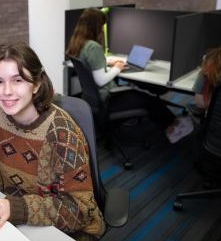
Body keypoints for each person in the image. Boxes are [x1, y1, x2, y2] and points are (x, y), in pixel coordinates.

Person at [0, 42, 105, 241]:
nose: (6, 91)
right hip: (9, 218)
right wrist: (0, 200)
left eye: (18, 80)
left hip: (65, 230)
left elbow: (79, 211)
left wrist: (17, 207)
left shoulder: (61, 132)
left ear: (36, 84)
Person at [66, 8, 193, 143]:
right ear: (95, 26)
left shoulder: (79, 44)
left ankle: (171, 124)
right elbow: (100, 79)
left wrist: (107, 61)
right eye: (102, 25)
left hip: (93, 98)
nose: (102, 30)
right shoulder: (94, 47)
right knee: (149, 100)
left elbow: (89, 64)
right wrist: (117, 68)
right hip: (108, 97)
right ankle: (173, 129)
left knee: (137, 93)